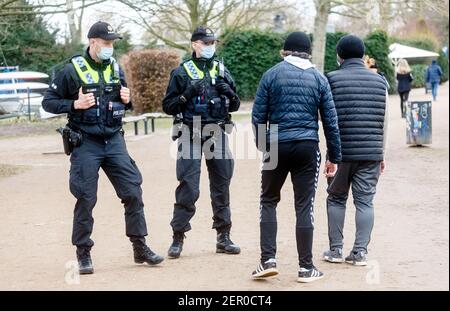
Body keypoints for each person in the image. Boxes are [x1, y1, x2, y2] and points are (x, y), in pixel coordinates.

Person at [42, 21, 164, 275]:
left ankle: (139, 246)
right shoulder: (71, 70)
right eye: (106, 43)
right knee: (86, 197)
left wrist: (128, 101)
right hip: (86, 142)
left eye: (112, 43)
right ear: (93, 42)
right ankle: (83, 252)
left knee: (132, 191)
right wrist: (74, 104)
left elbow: (122, 104)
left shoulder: (115, 68)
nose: (110, 47)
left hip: (114, 140)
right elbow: (48, 103)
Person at [251, 32, 341, 283]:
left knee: (268, 200)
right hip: (307, 145)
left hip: (276, 143)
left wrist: (263, 146)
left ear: (285, 51)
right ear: (308, 52)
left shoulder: (271, 75)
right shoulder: (319, 78)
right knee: (304, 206)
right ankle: (306, 268)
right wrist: (334, 156)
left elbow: (258, 117)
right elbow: (331, 123)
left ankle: (267, 260)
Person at [162, 26, 241, 259]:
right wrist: (186, 94)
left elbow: (234, 105)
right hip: (190, 133)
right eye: (206, 43)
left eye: (212, 42)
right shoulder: (182, 72)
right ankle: (178, 237)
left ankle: (223, 237)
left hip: (217, 132)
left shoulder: (222, 69)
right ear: (195, 44)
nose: (210, 46)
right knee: (188, 186)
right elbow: (168, 106)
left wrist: (231, 94)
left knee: (222, 184)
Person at [323, 35, 388, 266]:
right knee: (365, 202)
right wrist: (381, 154)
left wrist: (330, 156)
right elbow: (384, 121)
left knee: (336, 199)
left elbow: (327, 119)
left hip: (341, 153)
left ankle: (336, 250)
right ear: (362, 56)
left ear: (339, 55)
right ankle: (360, 252)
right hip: (371, 152)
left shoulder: (331, 79)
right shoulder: (380, 81)